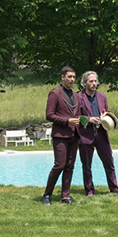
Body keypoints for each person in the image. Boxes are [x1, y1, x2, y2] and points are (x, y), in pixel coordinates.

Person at [77, 71, 118, 197]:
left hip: (102, 133)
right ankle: (89, 191)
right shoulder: (78, 98)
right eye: (91, 81)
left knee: (109, 162)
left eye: (95, 81)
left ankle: (114, 189)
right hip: (86, 135)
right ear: (84, 83)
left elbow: (107, 111)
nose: (94, 83)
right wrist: (89, 119)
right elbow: (76, 116)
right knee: (86, 165)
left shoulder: (102, 97)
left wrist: (106, 116)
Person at [43, 66, 80, 205]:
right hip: (60, 135)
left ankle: (65, 196)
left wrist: (81, 119)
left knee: (70, 166)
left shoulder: (76, 95)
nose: (72, 79)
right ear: (62, 77)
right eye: (69, 77)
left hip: (74, 135)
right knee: (59, 165)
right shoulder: (55, 93)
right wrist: (67, 121)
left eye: (74, 77)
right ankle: (47, 195)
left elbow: (77, 113)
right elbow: (49, 115)